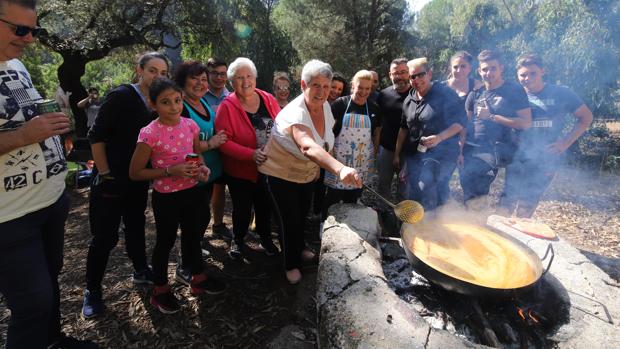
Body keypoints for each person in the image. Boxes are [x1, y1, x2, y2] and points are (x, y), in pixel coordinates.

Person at [0, 0, 97, 347]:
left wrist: (57, 132)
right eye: (20, 30)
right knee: (32, 304)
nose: (29, 39)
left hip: (49, 200)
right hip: (9, 217)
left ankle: (53, 340)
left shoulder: (16, 64)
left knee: (50, 281)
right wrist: (25, 136)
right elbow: (22, 133)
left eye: (34, 31)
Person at [82, 52, 169, 319]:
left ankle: (141, 269)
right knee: (104, 237)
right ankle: (93, 290)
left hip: (137, 179)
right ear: (139, 70)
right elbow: (96, 137)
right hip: (110, 179)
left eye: (163, 72)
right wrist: (105, 173)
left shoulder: (156, 103)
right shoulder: (121, 96)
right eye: (152, 70)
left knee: (135, 225)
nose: (158, 76)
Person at [259, 59, 362, 284]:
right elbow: (307, 145)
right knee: (288, 220)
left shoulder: (324, 106)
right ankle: (290, 264)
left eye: (326, 86)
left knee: (302, 215)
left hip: (305, 174)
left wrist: (322, 165)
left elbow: (325, 142)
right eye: (316, 85)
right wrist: (339, 168)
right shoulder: (295, 113)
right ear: (304, 85)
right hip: (279, 174)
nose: (322, 92)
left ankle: (300, 247)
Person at [128, 78, 224, 314]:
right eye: (165, 102)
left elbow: (196, 156)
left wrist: (202, 169)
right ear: (153, 105)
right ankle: (160, 289)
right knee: (165, 242)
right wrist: (170, 171)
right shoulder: (149, 133)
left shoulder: (190, 125)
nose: (174, 107)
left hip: (193, 192)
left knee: (193, 237)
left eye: (178, 100)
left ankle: (197, 278)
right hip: (167, 197)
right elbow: (135, 172)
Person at [499, 53, 593, 217]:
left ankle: (522, 236)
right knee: (506, 202)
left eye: (533, 73)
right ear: (517, 76)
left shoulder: (562, 93)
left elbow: (586, 117)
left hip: (546, 158)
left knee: (527, 205)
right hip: (518, 157)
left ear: (543, 71)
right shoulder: (514, 95)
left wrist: (565, 143)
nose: (528, 78)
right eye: (523, 75)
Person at [214, 57, 281, 259]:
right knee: (241, 208)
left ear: (255, 77)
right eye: (239, 78)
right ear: (232, 82)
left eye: (249, 76)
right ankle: (238, 239)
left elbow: (281, 127)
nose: (245, 82)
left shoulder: (268, 98)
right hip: (240, 170)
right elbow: (224, 142)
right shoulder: (227, 106)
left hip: (269, 166)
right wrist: (251, 154)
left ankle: (266, 239)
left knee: (264, 205)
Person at [172, 60, 227, 285]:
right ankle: (186, 267)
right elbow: (182, 145)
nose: (201, 83)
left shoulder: (203, 102)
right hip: (191, 176)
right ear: (183, 81)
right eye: (195, 78)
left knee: (200, 218)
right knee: (193, 220)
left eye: (203, 79)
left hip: (207, 174)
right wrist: (212, 143)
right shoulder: (181, 107)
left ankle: (192, 254)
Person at [461, 50, 531, 208]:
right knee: (468, 191)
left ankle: (482, 224)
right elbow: (465, 124)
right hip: (472, 150)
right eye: (485, 69)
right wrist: (460, 151)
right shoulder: (475, 93)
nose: (488, 73)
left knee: (484, 194)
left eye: (493, 68)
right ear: (479, 71)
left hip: (498, 151)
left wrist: (492, 116)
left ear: (501, 68)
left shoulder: (513, 90)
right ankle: (472, 224)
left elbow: (526, 123)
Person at [393, 58, 465, 211]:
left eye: (421, 75)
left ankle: (439, 225)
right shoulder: (409, 99)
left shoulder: (445, 94)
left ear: (430, 74)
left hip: (443, 154)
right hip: (416, 155)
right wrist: (399, 155)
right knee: (414, 190)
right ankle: (417, 227)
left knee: (430, 187)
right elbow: (404, 129)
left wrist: (439, 138)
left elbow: (460, 123)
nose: (417, 80)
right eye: (413, 77)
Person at [323, 70, 381, 219]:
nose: (363, 92)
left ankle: (349, 225)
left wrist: (372, 155)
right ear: (353, 86)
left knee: (353, 198)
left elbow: (376, 133)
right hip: (339, 160)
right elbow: (327, 131)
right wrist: (328, 153)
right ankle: (325, 224)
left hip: (361, 163)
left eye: (367, 89)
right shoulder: (340, 104)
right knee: (332, 198)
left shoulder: (374, 108)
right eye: (360, 87)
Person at [440, 51, 483, 204]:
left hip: (470, 140)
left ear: (470, 67)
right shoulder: (442, 87)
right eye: (455, 67)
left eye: (463, 66)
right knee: (443, 178)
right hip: (446, 139)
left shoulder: (478, 87)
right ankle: (443, 211)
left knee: (468, 181)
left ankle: (469, 214)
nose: (459, 70)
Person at [376, 58, 411, 205]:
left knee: (406, 187)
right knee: (383, 184)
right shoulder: (383, 95)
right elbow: (378, 125)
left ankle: (402, 218)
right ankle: (383, 215)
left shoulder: (417, 93)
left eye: (403, 72)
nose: (399, 76)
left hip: (410, 151)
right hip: (386, 149)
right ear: (390, 75)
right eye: (395, 73)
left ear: (409, 73)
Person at [204, 57, 232, 239]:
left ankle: (218, 224)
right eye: (214, 73)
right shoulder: (199, 94)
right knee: (203, 190)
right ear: (207, 74)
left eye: (222, 74)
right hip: (204, 149)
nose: (218, 78)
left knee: (219, 187)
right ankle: (197, 230)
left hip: (225, 149)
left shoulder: (229, 96)